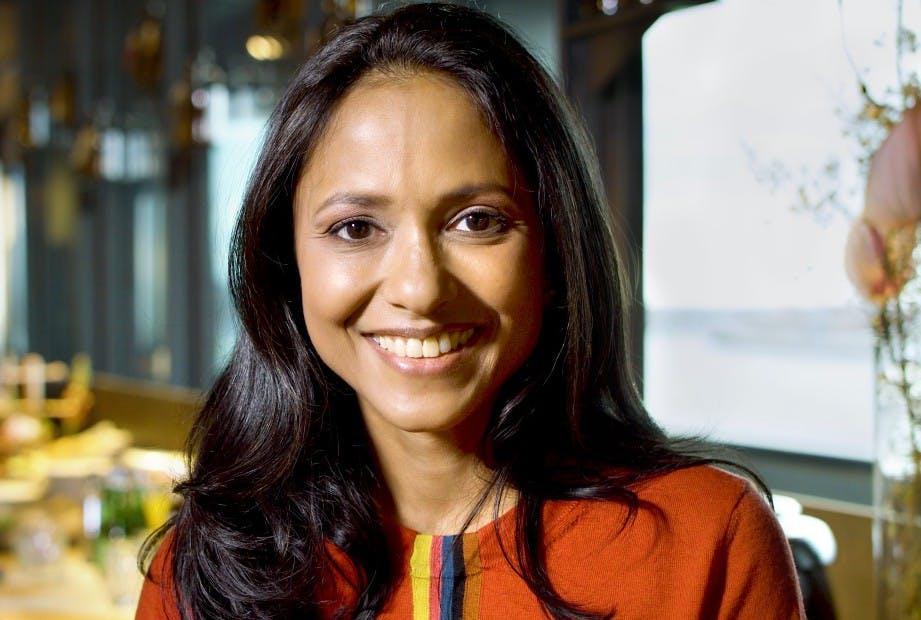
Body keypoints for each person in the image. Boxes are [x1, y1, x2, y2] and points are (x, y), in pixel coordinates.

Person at [135, 3, 806, 619]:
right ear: (287, 266)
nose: (419, 289)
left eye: (475, 221)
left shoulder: (706, 541)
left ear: (553, 251)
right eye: (355, 229)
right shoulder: (205, 567)